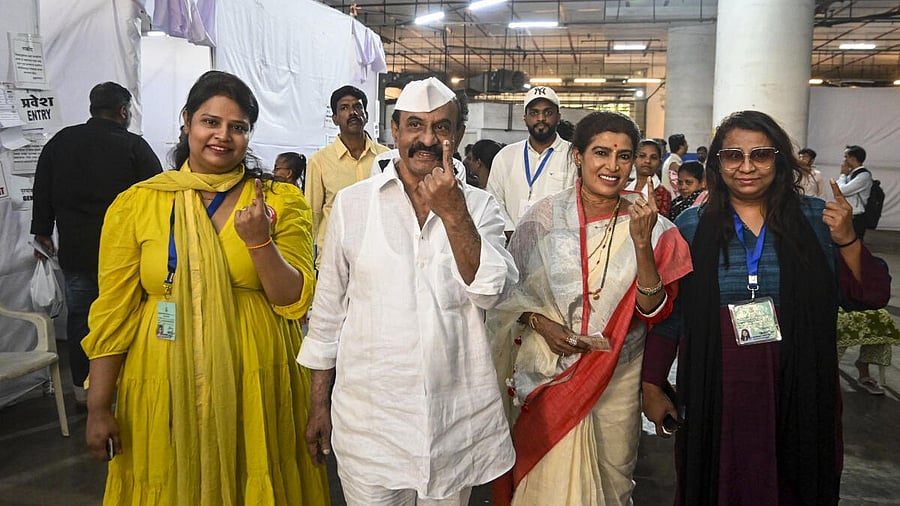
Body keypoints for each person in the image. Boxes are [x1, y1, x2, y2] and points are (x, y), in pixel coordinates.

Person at [81, 71, 329, 504]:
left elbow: (295, 301)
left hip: (255, 374)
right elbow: (113, 311)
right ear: (187, 122)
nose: (222, 136)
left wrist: (260, 243)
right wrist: (99, 406)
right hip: (163, 373)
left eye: (238, 127)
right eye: (210, 122)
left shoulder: (278, 200)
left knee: (254, 472)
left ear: (250, 134)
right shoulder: (139, 203)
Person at [641, 110, 891, 505]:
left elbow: (871, 295)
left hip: (799, 379)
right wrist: (651, 384)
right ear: (717, 163)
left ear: (780, 159)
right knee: (720, 481)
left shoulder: (817, 219)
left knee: (796, 479)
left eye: (760, 154)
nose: (746, 167)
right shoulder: (692, 225)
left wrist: (846, 239)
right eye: (733, 156)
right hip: (717, 382)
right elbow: (674, 315)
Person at [298, 77, 517, 505]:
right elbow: (327, 317)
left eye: (442, 127)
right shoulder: (353, 204)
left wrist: (454, 214)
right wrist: (318, 404)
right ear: (394, 131)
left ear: (458, 135)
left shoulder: (480, 207)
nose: (428, 139)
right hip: (370, 424)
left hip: (455, 421)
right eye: (415, 125)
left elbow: (492, 292)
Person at [488, 111, 692, 505]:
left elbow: (653, 311)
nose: (613, 166)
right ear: (578, 156)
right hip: (549, 373)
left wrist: (641, 242)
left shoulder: (655, 226)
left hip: (618, 375)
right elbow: (508, 298)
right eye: (601, 153)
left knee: (611, 480)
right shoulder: (544, 218)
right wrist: (541, 323)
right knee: (544, 478)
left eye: (624, 156)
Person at [30, 81, 162, 406]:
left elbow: (42, 187)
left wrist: (42, 230)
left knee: (81, 321)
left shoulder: (60, 142)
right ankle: (128, 390)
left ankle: (82, 389)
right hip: (126, 257)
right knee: (128, 318)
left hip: (76, 252)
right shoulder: (134, 147)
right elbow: (159, 195)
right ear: (123, 111)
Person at [305, 85, 389, 264]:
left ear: (366, 115)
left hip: (377, 258)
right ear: (335, 119)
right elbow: (312, 215)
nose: (353, 112)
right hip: (332, 260)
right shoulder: (319, 162)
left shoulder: (386, 158)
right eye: (344, 108)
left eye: (357, 107)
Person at [487, 86, 578, 238]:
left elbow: (576, 204)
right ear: (525, 118)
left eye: (548, 112)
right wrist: (514, 236)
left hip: (556, 247)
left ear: (558, 117)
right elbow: (494, 199)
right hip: (511, 245)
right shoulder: (506, 156)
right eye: (534, 113)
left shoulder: (573, 157)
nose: (541, 118)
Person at [626, 138, 671, 217]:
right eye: (642, 156)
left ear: (660, 163)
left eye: (653, 157)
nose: (647, 161)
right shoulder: (625, 188)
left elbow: (660, 225)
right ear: (633, 160)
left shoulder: (662, 194)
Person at [836, 144, 872, 240]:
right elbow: (836, 188)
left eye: (846, 157)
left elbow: (842, 190)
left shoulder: (864, 175)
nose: (844, 160)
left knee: (854, 243)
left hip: (856, 216)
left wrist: (843, 175)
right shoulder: (851, 173)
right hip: (847, 213)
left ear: (853, 159)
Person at [660, 133, 688, 199]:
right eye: (686, 144)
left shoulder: (671, 160)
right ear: (681, 146)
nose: (687, 146)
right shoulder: (674, 163)